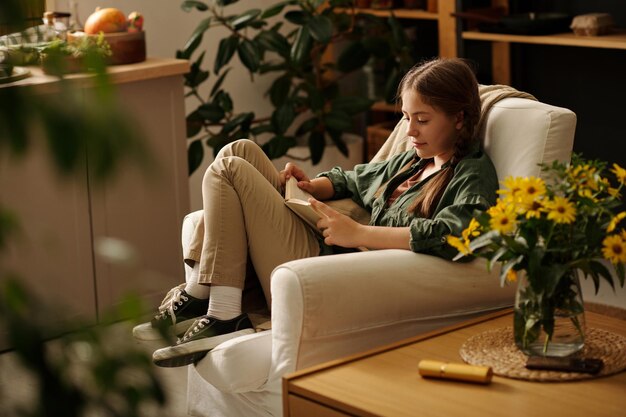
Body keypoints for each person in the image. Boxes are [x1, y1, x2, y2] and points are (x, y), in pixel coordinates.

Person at [134, 57, 499, 368]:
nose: (410, 130)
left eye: (422, 119)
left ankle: (223, 311)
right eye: (405, 118)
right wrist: (310, 185)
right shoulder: (410, 161)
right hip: (322, 242)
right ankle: (201, 293)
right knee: (239, 150)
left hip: (328, 267)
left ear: (460, 119)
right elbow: (353, 180)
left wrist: (358, 234)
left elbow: (454, 234)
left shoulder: (471, 173)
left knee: (228, 170)